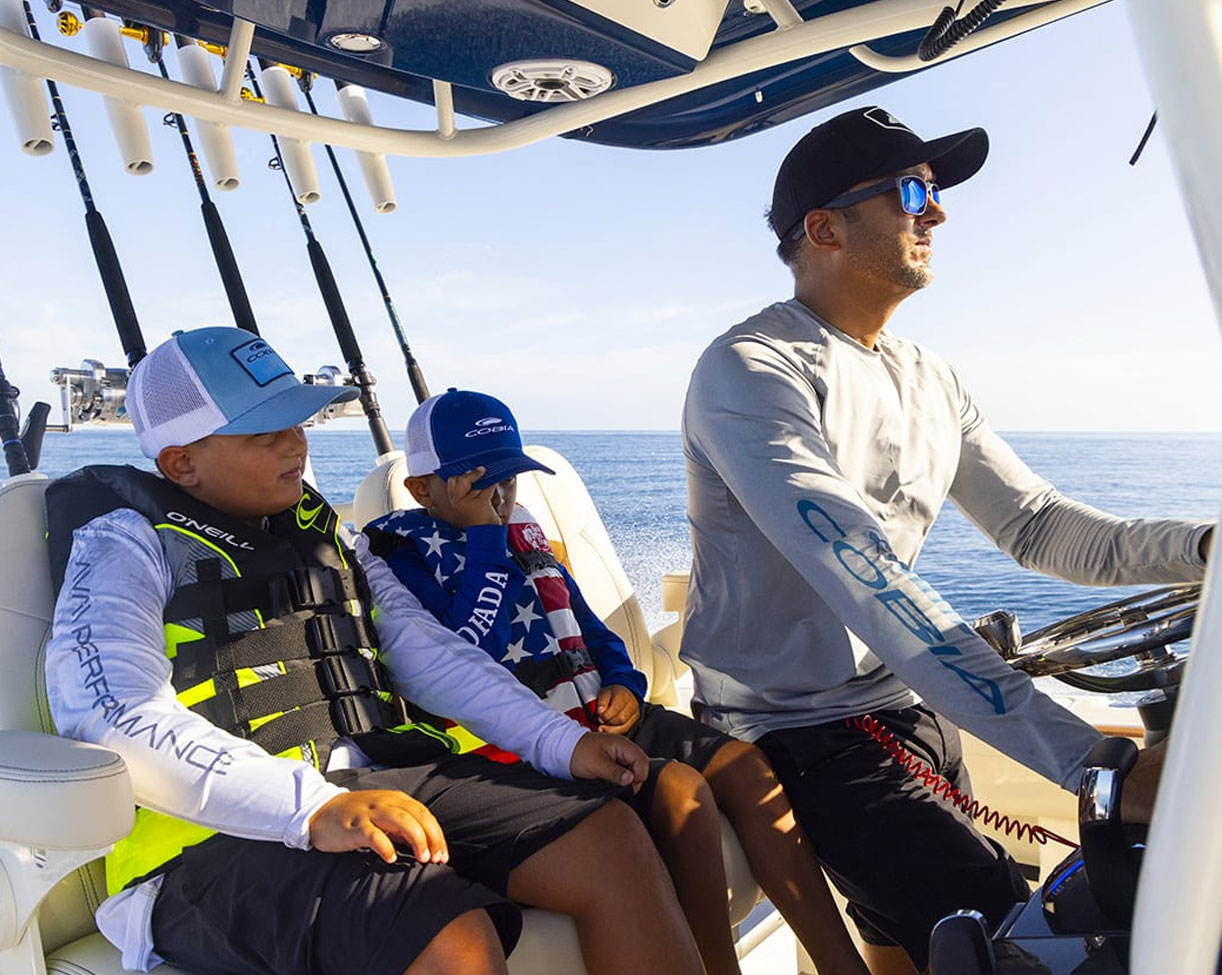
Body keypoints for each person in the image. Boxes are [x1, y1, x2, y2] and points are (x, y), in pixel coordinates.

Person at [679, 105, 1214, 975]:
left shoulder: (930, 376)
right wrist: (1095, 767)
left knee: (921, 935)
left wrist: (1202, 548)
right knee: (1011, 939)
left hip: (907, 704)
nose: (936, 211)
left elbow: (1038, 524)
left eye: (932, 191)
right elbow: (869, 581)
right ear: (824, 228)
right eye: (910, 191)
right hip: (799, 731)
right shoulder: (750, 369)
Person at [44, 327, 706, 975]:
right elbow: (111, 711)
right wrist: (310, 807)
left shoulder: (330, 538)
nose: (296, 443)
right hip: (204, 844)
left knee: (608, 837)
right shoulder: (123, 541)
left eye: (296, 422)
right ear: (181, 462)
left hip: (365, 783)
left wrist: (558, 741)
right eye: (263, 433)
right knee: (447, 932)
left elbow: (427, 651)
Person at [365, 388, 870, 975]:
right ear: (421, 489)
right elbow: (466, 646)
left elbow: (585, 626)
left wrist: (625, 683)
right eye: (479, 487)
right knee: (681, 793)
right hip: (526, 741)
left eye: (509, 480)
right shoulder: (400, 558)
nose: (500, 499)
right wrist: (484, 541)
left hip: (599, 710)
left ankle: (842, 966)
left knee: (749, 769)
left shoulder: (525, 531)